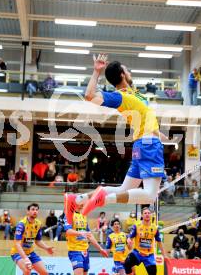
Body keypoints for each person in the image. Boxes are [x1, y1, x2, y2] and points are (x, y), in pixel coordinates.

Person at [65, 54, 173, 220]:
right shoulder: (120, 96)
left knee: (123, 190)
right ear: (122, 74)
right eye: (127, 70)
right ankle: (104, 199)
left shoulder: (136, 94)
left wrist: (160, 134)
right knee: (151, 196)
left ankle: (77, 199)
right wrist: (96, 72)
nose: (130, 72)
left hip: (142, 144)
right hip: (148, 145)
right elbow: (89, 96)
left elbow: (145, 118)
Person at [64, 202, 108, 275]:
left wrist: (100, 249)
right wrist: (81, 233)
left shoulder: (83, 216)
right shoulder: (69, 215)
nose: (82, 205)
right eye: (80, 203)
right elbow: (68, 231)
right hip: (75, 250)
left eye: (83, 203)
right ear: (75, 203)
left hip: (85, 251)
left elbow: (89, 235)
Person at [10, 203, 54, 275]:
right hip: (17, 252)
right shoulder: (21, 224)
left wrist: (46, 248)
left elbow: (38, 241)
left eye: (36, 210)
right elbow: (17, 244)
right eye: (33, 209)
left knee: (45, 273)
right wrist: (25, 258)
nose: (35, 211)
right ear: (28, 211)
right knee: (27, 270)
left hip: (30, 252)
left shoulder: (38, 224)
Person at [125, 207, 169, 275]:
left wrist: (164, 255)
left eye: (149, 213)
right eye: (145, 213)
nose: (147, 214)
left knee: (153, 272)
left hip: (149, 256)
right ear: (142, 215)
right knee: (127, 263)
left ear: (151, 215)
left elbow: (159, 242)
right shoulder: (137, 226)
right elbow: (129, 237)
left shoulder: (154, 228)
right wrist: (128, 240)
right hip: (137, 253)